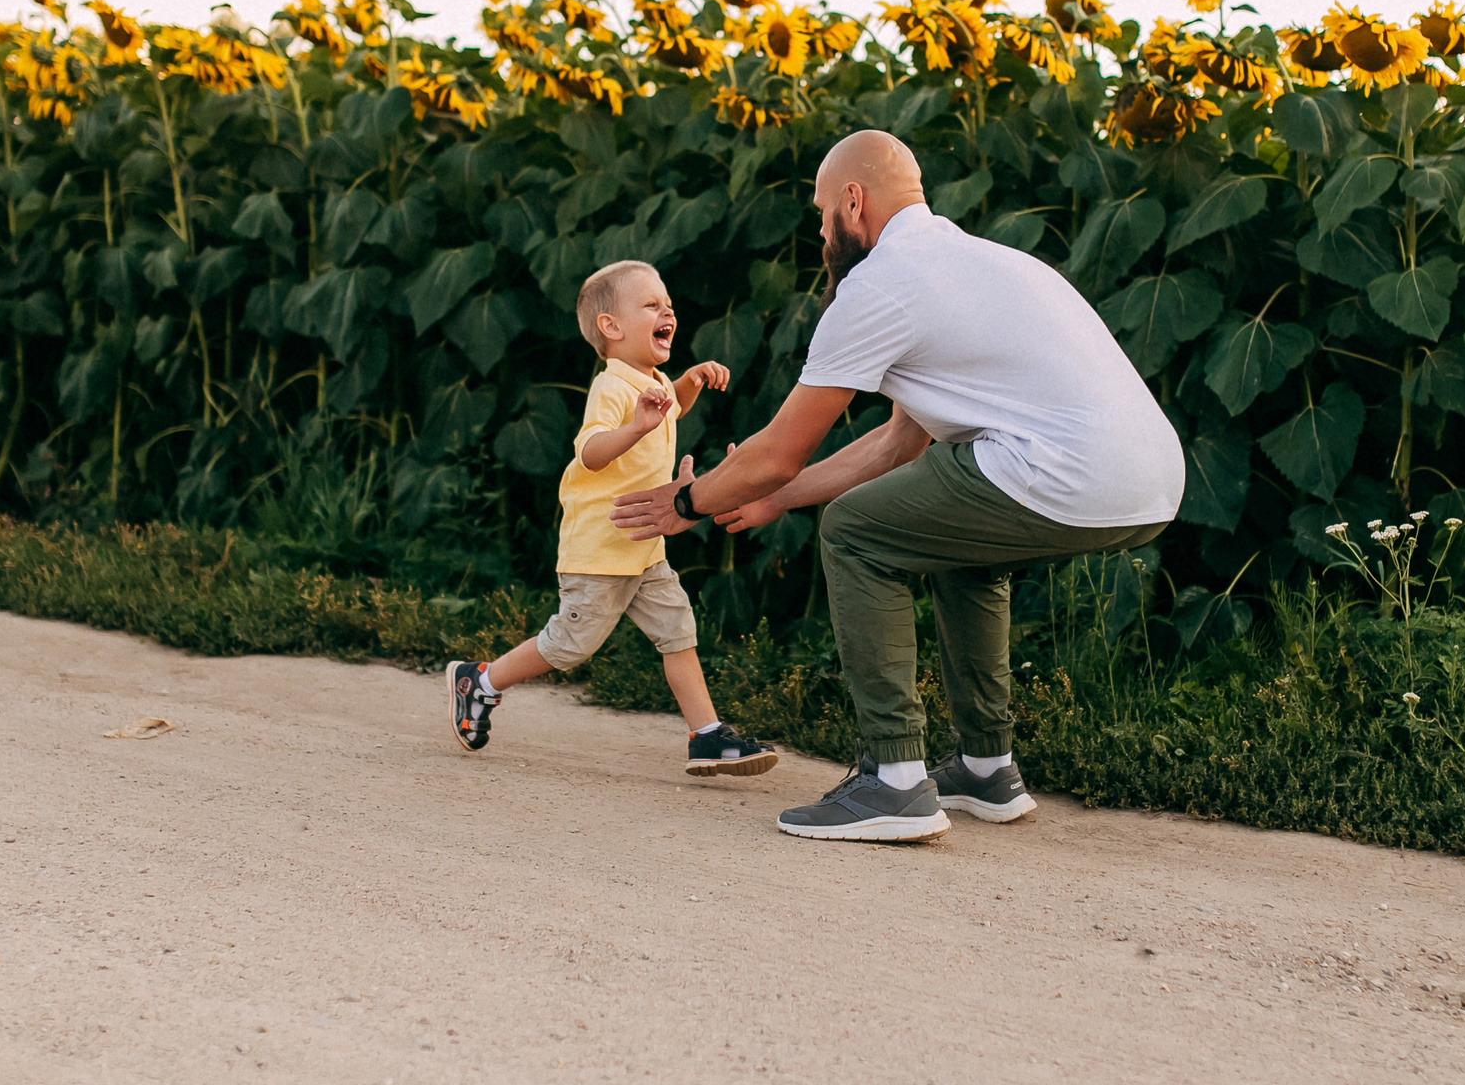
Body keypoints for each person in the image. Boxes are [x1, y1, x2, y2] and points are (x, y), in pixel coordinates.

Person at [613, 130, 1183, 841]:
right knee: (949, 538)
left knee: (854, 530)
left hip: (1063, 469)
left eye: (823, 215)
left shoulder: (880, 283)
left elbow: (780, 451)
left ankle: (894, 782)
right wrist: (777, 499)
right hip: (1153, 477)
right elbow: (897, 442)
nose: (822, 234)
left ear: (854, 201)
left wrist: (688, 501)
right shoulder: (984, 263)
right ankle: (985, 768)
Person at [446, 259, 779, 779]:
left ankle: (707, 736)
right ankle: (479, 681)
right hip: (601, 550)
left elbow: (670, 410)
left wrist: (686, 383)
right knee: (568, 646)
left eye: (667, 302)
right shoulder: (612, 386)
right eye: (651, 304)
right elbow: (592, 452)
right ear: (612, 327)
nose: (667, 309)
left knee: (678, 633)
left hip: (644, 549)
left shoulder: (653, 381)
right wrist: (638, 426)